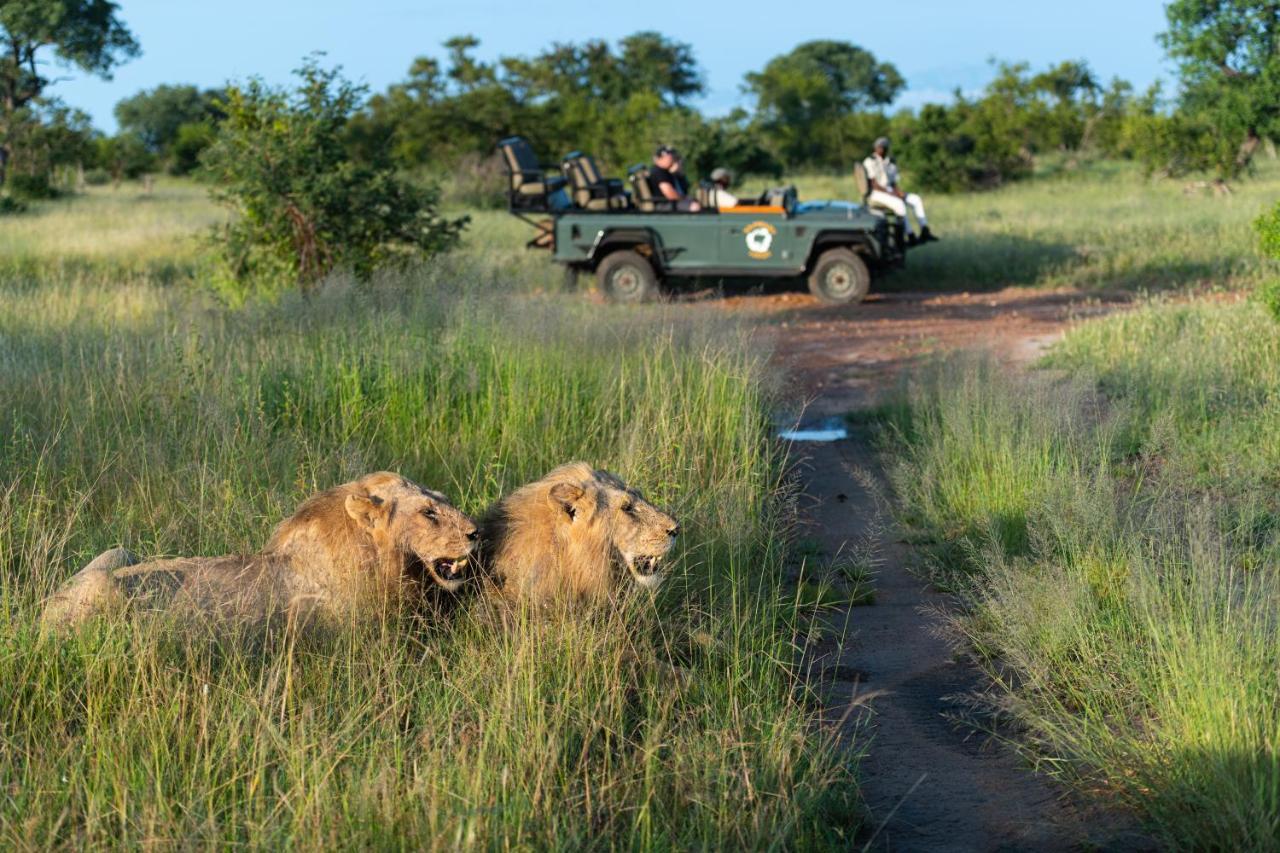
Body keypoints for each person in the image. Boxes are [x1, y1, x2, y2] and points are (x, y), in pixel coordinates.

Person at [863, 137, 936, 243]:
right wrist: (891, 193)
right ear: (875, 148)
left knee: (916, 199)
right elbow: (874, 184)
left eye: (884, 147)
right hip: (876, 193)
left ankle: (925, 230)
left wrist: (898, 192)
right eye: (879, 147)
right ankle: (910, 235)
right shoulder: (870, 161)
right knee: (899, 204)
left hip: (889, 190)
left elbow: (893, 182)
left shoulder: (890, 162)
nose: (881, 150)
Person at [648, 145, 701, 212]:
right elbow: (670, 194)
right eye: (671, 157)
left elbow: (684, 188)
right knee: (694, 207)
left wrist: (678, 173)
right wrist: (683, 200)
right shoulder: (659, 172)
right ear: (662, 157)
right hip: (663, 204)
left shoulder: (666, 171)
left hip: (670, 203)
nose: (673, 159)